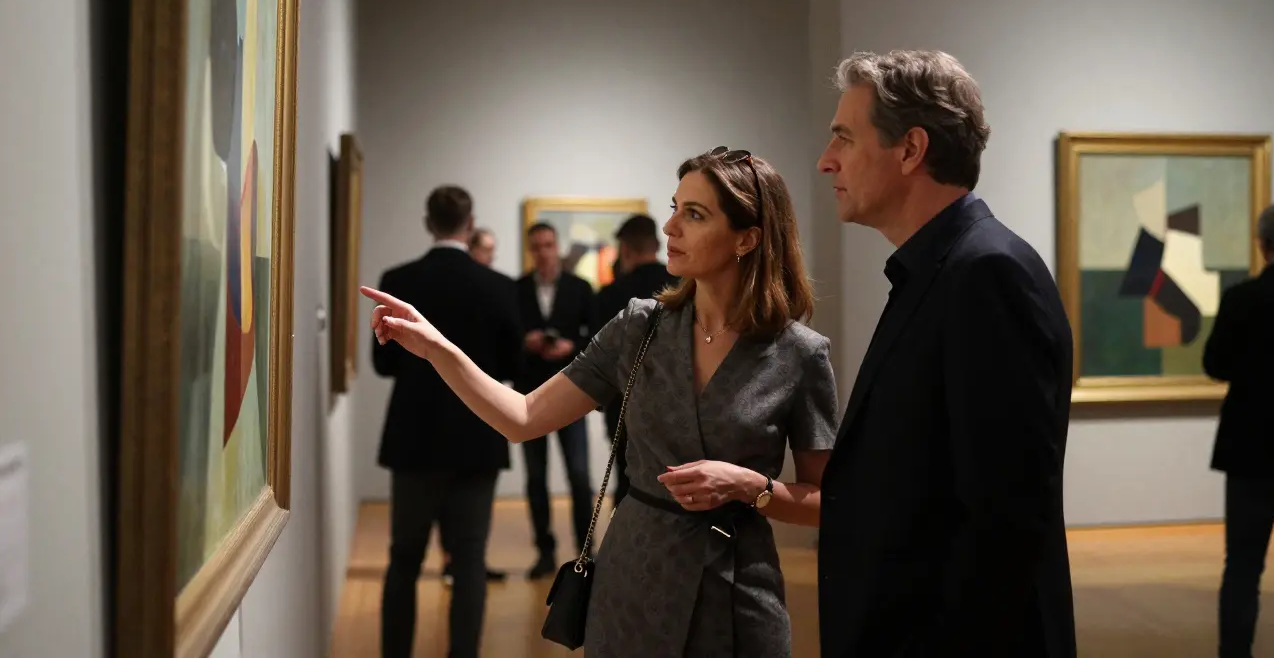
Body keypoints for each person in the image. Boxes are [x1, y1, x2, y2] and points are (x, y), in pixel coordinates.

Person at [362, 146, 839, 657]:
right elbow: (522, 418)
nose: (669, 227)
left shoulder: (799, 355)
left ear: (748, 238)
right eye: (674, 206)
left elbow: (827, 503)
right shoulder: (640, 326)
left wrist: (752, 486)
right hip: (634, 576)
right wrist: (438, 347)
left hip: (735, 585)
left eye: (694, 214)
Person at [815, 50, 1076, 657]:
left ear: (910, 150)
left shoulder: (985, 274)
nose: (828, 162)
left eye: (845, 140)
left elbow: (1004, 520)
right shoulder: (943, 269)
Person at [370, 186, 522, 658]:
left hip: (414, 439)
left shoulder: (397, 280)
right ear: (470, 223)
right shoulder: (499, 286)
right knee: (471, 560)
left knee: (404, 559)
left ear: (427, 222)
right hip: (477, 436)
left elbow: (384, 365)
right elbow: (510, 364)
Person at [1203, 203, 1274, 658]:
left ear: (1262, 243)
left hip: (1251, 449)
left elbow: (1215, 364)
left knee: (1243, 565)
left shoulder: (1241, 299)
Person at [515, 223, 598, 578]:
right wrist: (526, 341)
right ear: (530, 249)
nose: (544, 252)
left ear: (557, 246)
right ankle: (544, 552)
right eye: (537, 246)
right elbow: (508, 336)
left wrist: (571, 347)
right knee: (536, 479)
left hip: (570, 393)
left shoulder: (580, 289)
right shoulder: (516, 289)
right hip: (528, 396)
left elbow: (597, 337)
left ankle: (585, 551)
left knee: (579, 476)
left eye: (548, 245)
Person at [593, 213, 679, 506]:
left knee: (627, 480)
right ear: (658, 243)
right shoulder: (684, 287)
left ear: (625, 249)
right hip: (678, 402)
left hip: (624, 403)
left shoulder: (610, 294)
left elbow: (601, 358)